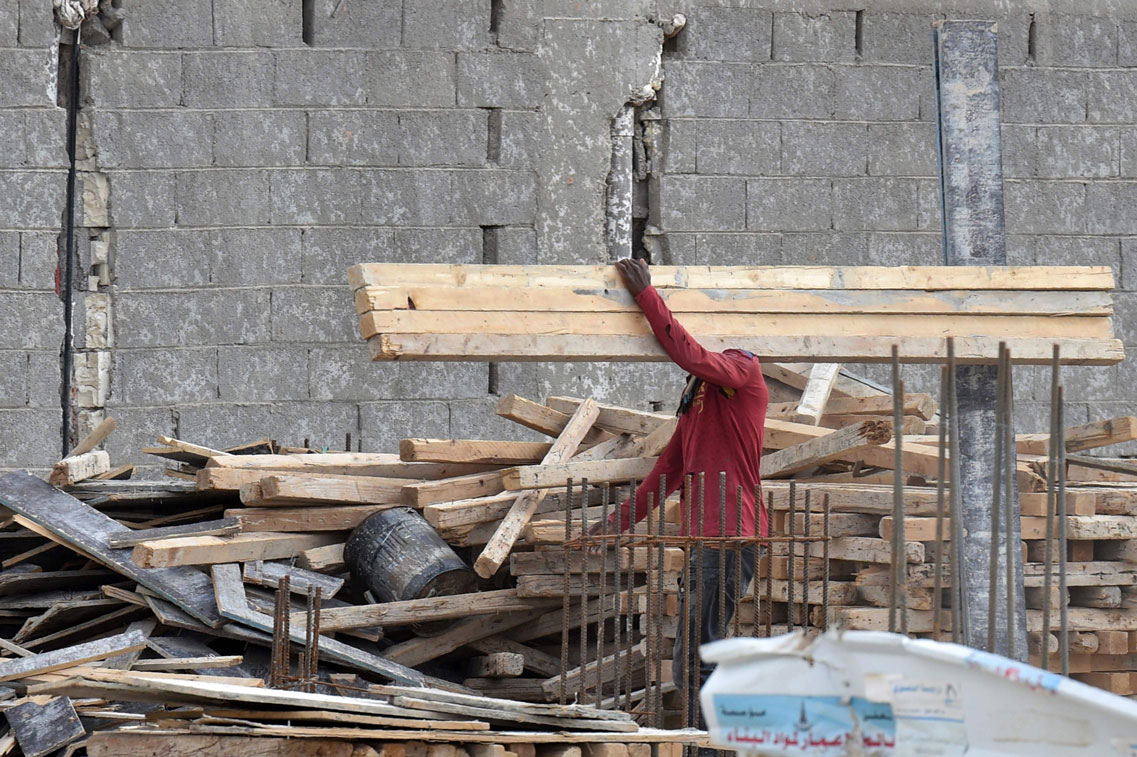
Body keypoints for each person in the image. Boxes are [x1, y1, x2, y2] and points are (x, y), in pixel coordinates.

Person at [594, 257, 769, 731]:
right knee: (686, 660)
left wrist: (648, 296)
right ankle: (702, 741)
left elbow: (693, 355)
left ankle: (710, 744)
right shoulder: (698, 404)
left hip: (730, 537)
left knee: (701, 658)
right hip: (702, 542)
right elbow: (667, 472)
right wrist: (613, 525)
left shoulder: (743, 371)